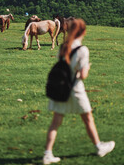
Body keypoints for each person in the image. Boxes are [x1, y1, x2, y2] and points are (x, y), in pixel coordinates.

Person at [43, 19, 115, 165]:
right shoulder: (82, 50)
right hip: (75, 89)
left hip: (61, 88)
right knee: (87, 118)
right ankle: (99, 147)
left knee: (56, 122)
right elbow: (82, 75)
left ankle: (47, 154)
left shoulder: (64, 47)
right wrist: (87, 67)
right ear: (83, 31)